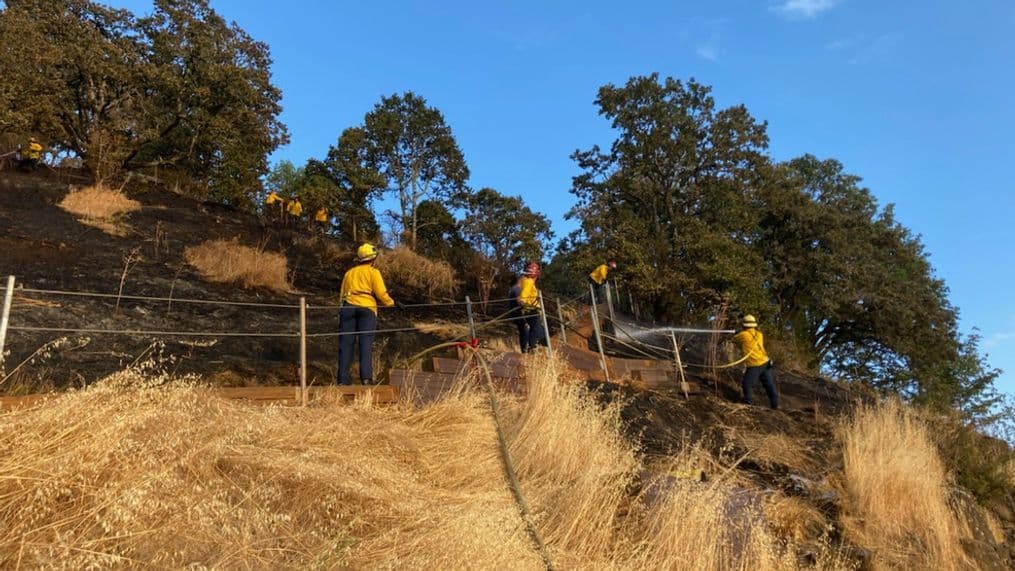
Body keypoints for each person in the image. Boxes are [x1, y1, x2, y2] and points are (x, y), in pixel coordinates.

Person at [337, 243, 396, 385]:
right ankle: (366, 379)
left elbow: (342, 295)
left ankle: (342, 380)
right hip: (367, 308)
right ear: (373, 258)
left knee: (345, 344)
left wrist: (342, 308)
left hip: (348, 307)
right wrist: (391, 303)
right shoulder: (373, 272)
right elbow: (381, 293)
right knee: (366, 343)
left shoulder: (349, 273)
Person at [731, 314, 778, 409]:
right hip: (765, 362)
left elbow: (734, 340)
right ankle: (775, 404)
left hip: (755, 364)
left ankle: (748, 403)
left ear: (744, 325)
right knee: (769, 384)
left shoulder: (743, 335)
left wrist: (737, 333)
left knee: (747, 384)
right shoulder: (760, 334)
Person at [516, 262, 544, 353]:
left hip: (529, 309)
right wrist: (523, 302)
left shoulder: (526, 281)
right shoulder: (529, 282)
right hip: (530, 310)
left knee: (533, 330)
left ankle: (528, 350)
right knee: (537, 331)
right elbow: (524, 295)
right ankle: (532, 350)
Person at [507, 277, 527, 353]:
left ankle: (525, 349)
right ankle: (525, 350)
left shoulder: (512, 288)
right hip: (517, 313)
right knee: (525, 330)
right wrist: (528, 306)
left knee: (523, 330)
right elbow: (519, 301)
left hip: (514, 313)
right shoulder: (517, 289)